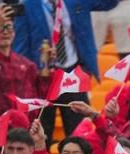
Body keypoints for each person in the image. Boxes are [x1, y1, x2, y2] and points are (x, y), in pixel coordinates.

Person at [12, 0, 119, 137]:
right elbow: (21, 46)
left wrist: (85, 69)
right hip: (42, 77)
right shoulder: (26, 4)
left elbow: (108, 3)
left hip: (73, 73)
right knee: (41, 135)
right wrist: (26, 77)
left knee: (79, 134)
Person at [0, 4, 51, 123]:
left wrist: (47, 66)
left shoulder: (27, 65)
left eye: (9, 27)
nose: (5, 32)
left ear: (14, 31)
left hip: (26, 129)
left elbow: (41, 96)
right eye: (0, 27)